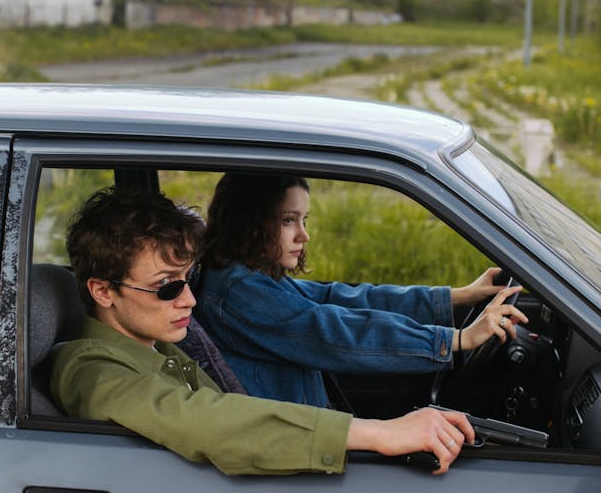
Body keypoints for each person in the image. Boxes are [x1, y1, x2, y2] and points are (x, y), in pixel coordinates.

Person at [49, 186, 476, 476]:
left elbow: (330, 299)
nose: (190, 300)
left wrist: (450, 303)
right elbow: (207, 421)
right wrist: (379, 432)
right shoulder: (92, 371)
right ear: (103, 291)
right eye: (168, 286)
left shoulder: (153, 342)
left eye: (189, 278)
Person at [195, 173, 527, 407]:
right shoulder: (238, 291)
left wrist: (456, 296)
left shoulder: (247, 275)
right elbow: (332, 333)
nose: (303, 235)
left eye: (304, 220)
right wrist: (455, 340)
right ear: (250, 222)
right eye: (287, 221)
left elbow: (336, 298)